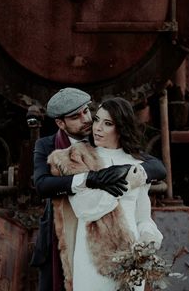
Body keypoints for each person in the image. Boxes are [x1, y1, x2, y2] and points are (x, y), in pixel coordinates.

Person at [32, 88, 165, 291]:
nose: (90, 122)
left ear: (121, 127)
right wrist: (93, 178)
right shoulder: (70, 154)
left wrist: (148, 240)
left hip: (129, 254)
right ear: (60, 123)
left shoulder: (135, 163)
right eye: (77, 117)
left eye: (88, 113)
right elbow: (44, 186)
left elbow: (143, 213)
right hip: (87, 252)